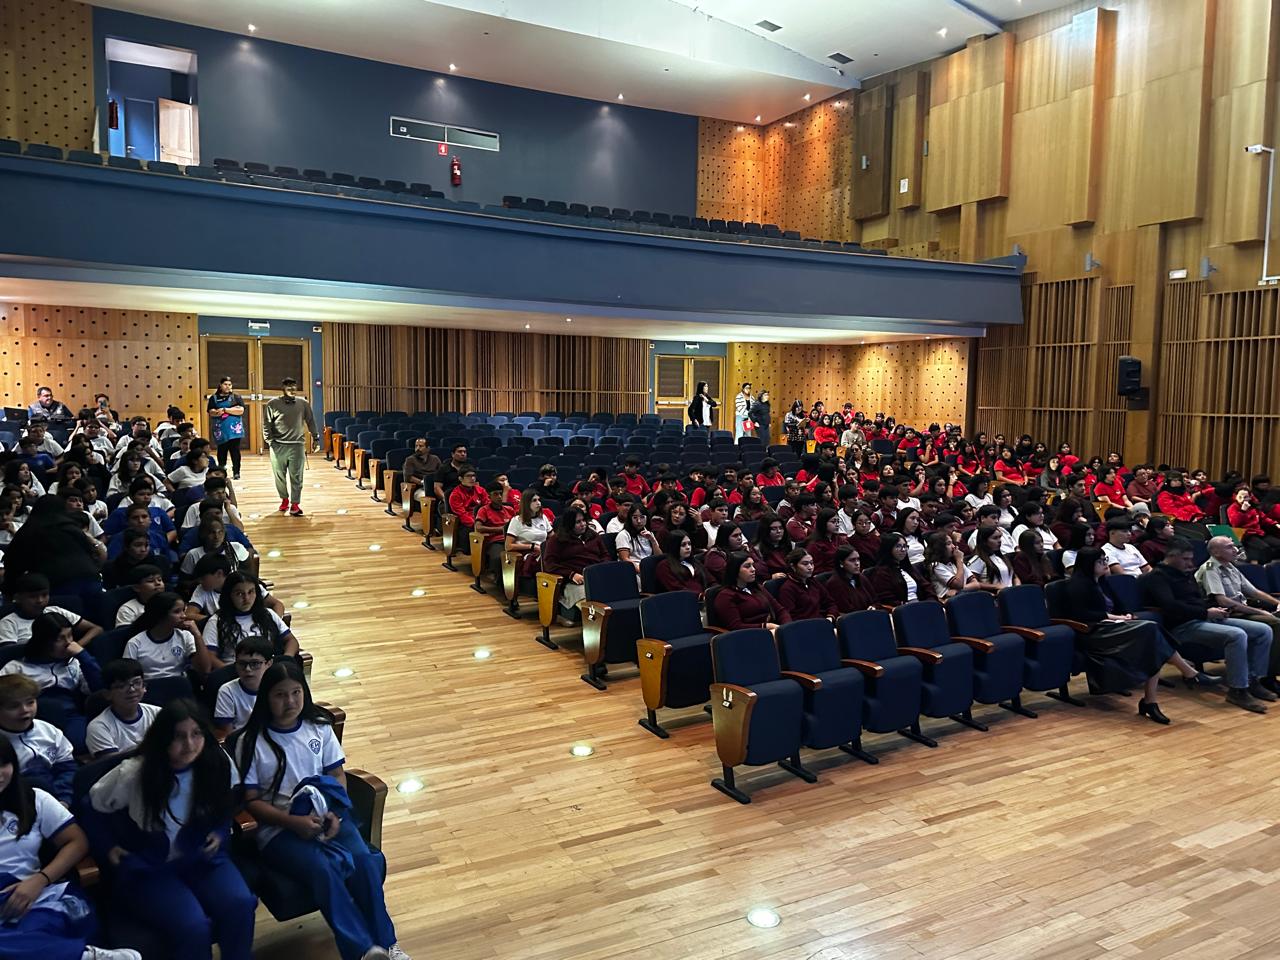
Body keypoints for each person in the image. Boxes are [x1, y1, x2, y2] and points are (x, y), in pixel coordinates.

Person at [235, 661, 410, 960]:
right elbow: (251, 802)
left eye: (296, 692)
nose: (290, 701)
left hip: (327, 815)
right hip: (280, 829)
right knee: (323, 869)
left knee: (364, 861)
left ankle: (387, 943)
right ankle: (362, 951)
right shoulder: (251, 740)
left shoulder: (318, 726)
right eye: (280, 695)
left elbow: (336, 775)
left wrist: (335, 813)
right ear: (266, 698)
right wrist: (293, 822)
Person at [83, 698, 255, 960]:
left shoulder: (217, 761)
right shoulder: (134, 773)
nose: (189, 745)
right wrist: (108, 846)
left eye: (196, 734)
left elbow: (228, 802)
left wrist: (221, 831)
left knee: (240, 905)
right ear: (163, 738)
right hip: (152, 869)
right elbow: (90, 807)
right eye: (179, 736)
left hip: (202, 858)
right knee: (193, 927)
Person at [0, 736, 141, 960]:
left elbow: (77, 842)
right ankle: (84, 956)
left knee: (39, 928)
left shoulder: (34, 799)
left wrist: (39, 880)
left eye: (4, 764)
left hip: (39, 897)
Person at [1139, 538, 1275, 713]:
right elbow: (1171, 607)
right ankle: (1238, 690)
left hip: (1204, 618)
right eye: (1185, 559)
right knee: (1236, 635)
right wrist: (1206, 613)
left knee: (1263, 630)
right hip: (1182, 626)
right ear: (1171, 556)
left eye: (1191, 559)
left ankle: (1254, 680)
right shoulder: (1156, 577)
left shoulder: (1185, 573)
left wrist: (1213, 609)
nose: (1190, 563)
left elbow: (1198, 600)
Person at [1061, 547, 1176, 721]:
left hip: (1114, 627)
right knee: (1151, 629)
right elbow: (1083, 614)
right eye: (1100, 561)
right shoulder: (1077, 585)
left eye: (1105, 560)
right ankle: (1187, 674)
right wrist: (1117, 617)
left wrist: (1127, 615)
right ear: (1088, 564)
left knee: (1152, 642)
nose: (1105, 564)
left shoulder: (1103, 582)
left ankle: (1151, 701)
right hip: (1094, 633)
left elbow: (1119, 605)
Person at [0, 613, 100, 752]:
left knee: (84, 742)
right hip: (32, 720)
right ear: (44, 642)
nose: (68, 643)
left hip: (71, 716)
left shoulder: (74, 662)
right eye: (60, 638)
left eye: (70, 636)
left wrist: (84, 657)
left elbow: (99, 688)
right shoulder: (16, 668)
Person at [1196, 535, 1280, 692]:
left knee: (1277, 616)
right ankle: (1266, 677)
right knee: (1274, 623)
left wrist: (1277, 603)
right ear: (1216, 552)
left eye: (1234, 545)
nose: (1235, 550)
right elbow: (1222, 601)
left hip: (1240, 610)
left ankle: (1268, 670)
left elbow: (1253, 592)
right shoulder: (1209, 568)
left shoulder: (1230, 566)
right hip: (1223, 614)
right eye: (1229, 547)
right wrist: (1259, 611)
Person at [2, 496, 105, 604]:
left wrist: (8, 596)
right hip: (92, 581)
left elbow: (12, 566)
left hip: (57, 587)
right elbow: (94, 555)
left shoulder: (29, 531)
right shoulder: (73, 528)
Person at [0, 675, 76, 803]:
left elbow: (67, 769)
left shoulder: (49, 731)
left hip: (58, 793)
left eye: (30, 702)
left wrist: (64, 799)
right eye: (14, 706)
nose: (25, 710)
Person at [202, 572, 299, 664]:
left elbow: (291, 640)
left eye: (251, 592)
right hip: (234, 669)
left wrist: (286, 659)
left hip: (269, 667)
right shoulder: (216, 621)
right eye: (240, 594)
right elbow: (210, 657)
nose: (247, 599)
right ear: (229, 595)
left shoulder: (268, 614)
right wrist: (230, 671)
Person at [125, 592, 213, 687]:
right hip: (149, 689)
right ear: (160, 615)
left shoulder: (185, 636)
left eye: (183, 610)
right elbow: (128, 677)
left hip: (178, 687)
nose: (184, 616)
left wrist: (197, 635)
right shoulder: (135, 643)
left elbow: (205, 669)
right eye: (177, 612)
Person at [541, 508, 610, 624]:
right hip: (573, 581)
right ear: (569, 524)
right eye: (578, 522)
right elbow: (550, 564)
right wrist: (571, 575)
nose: (583, 524)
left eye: (583, 520)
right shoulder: (557, 540)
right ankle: (597, 628)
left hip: (596, 577)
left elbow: (605, 555)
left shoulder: (593, 535)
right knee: (588, 597)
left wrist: (601, 569)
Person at [262, 378, 319, 517]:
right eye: (289, 388)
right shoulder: (272, 404)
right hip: (278, 445)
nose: (292, 390)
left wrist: (316, 438)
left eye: (294, 387)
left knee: (297, 476)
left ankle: (295, 504)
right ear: (283, 389)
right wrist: (270, 442)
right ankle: (284, 499)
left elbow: (311, 421)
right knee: (279, 476)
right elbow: (266, 424)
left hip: (297, 445)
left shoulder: (303, 404)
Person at [0, 573, 103, 647]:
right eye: (33, 596)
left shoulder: (56, 611)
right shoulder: (9, 623)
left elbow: (97, 629)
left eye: (44, 595)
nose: (40, 600)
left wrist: (76, 646)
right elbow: (8, 654)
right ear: (18, 598)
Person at [85, 659, 160, 758]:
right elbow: (111, 764)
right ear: (107, 694)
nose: (132, 689)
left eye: (137, 682)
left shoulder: (158, 713)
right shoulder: (99, 727)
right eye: (121, 686)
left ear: (144, 687)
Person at [212, 636, 274, 735]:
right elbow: (227, 734)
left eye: (255, 663)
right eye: (242, 663)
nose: (248, 669)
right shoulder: (227, 691)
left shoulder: (277, 688)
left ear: (269, 664)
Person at [711, 553, 786, 630]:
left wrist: (786, 627)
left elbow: (780, 610)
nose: (753, 569)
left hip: (773, 629)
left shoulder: (757, 588)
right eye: (747, 566)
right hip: (750, 634)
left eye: (753, 565)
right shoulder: (725, 596)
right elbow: (735, 626)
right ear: (735, 570)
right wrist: (765, 626)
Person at [866, 533, 931, 606]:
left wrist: (931, 601)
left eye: (905, 546)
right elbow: (886, 599)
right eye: (898, 546)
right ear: (889, 548)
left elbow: (926, 586)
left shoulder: (908, 567)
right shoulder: (881, 572)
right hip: (904, 608)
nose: (903, 550)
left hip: (921, 604)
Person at [775, 549, 836, 621]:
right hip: (804, 625)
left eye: (811, 563)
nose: (810, 567)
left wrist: (830, 617)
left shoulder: (813, 582)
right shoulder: (787, 589)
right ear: (793, 566)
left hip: (822, 622)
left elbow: (830, 603)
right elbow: (789, 618)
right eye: (805, 564)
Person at [207, 376, 247, 480]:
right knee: (221, 452)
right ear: (220, 385)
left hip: (234, 430)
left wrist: (225, 410)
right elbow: (211, 412)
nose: (228, 386)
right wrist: (218, 412)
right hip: (220, 429)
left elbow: (240, 410)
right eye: (225, 384)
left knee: (235, 451)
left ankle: (236, 472)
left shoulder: (236, 397)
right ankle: (222, 472)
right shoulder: (214, 398)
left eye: (229, 384)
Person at [924, 531, 976, 600]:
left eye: (952, 543)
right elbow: (958, 584)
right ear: (939, 547)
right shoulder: (936, 565)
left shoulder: (956, 561)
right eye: (949, 544)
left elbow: (976, 584)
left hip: (963, 595)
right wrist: (959, 560)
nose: (953, 546)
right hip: (947, 600)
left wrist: (958, 591)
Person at [614, 506, 658, 572]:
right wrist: (643, 572)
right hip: (633, 570)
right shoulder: (623, 535)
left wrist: (653, 541)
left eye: (642, 517)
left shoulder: (649, 533)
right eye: (635, 517)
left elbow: (658, 557)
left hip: (650, 567)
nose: (639, 521)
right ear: (630, 518)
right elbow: (625, 559)